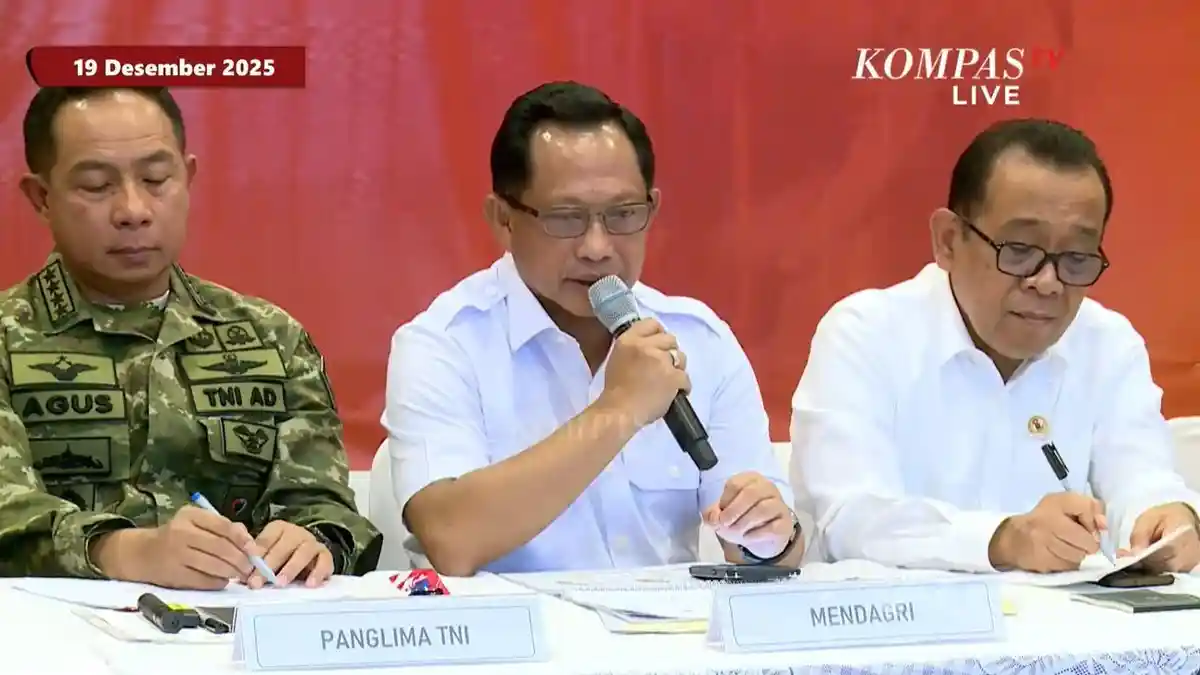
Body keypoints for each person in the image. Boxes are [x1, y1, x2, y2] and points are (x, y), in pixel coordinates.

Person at [384, 81, 802, 576]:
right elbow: (452, 539)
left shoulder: (700, 338)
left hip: (675, 623)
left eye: (623, 215)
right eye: (566, 219)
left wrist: (768, 536)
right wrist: (619, 408)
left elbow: (769, 552)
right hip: (517, 626)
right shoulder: (444, 344)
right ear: (503, 219)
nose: (598, 248)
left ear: (652, 209)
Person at [0, 87, 382, 589]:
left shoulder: (270, 337)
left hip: (241, 622)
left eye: (156, 179)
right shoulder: (8, 337)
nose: (133, 209)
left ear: (188, 178)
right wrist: (120, 550)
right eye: (96, 186)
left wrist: (313, 540)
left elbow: (324, 505)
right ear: (42, 197)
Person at [791, 118, 1200, 575]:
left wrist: (1168, 519)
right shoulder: (865, 334)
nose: (1048, 282)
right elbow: (849, 519)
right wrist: (1002, 539)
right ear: (948, 240)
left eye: (1076, 258)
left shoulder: (1108, 344)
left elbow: (1142, 477)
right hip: (898, 615)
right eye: (1020, 250)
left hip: (1064, 618)